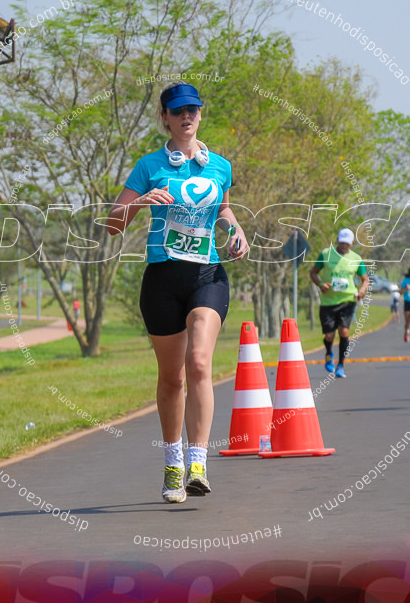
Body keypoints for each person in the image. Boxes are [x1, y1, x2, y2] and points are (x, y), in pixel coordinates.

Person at [104, 82, 248, 504]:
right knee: (173, 377)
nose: (188, 116)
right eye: (178, 110)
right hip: (162, 279)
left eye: (194, 110)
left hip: (207, 275)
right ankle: (173, 462)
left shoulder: (218, 166)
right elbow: (113, 224)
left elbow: (222, 207)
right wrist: (140, 201)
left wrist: (235, 231)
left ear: (201, 115)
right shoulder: (149, 166)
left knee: (200, 361)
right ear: (164, 117)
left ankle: (199, 462)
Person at [309, 228, 369, 379]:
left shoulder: (356, 259)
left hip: (347, 300)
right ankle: (329, 353)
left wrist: (361, 291)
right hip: (328, 301)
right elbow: (313, 272)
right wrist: (321, 284)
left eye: (347, 243)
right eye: (341, 242)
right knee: (329, 335)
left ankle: (341, 365)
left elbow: (365, 280)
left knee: (344, 332)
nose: (344, 246)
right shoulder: (325, 254)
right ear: (337, 240)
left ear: (351, 244)